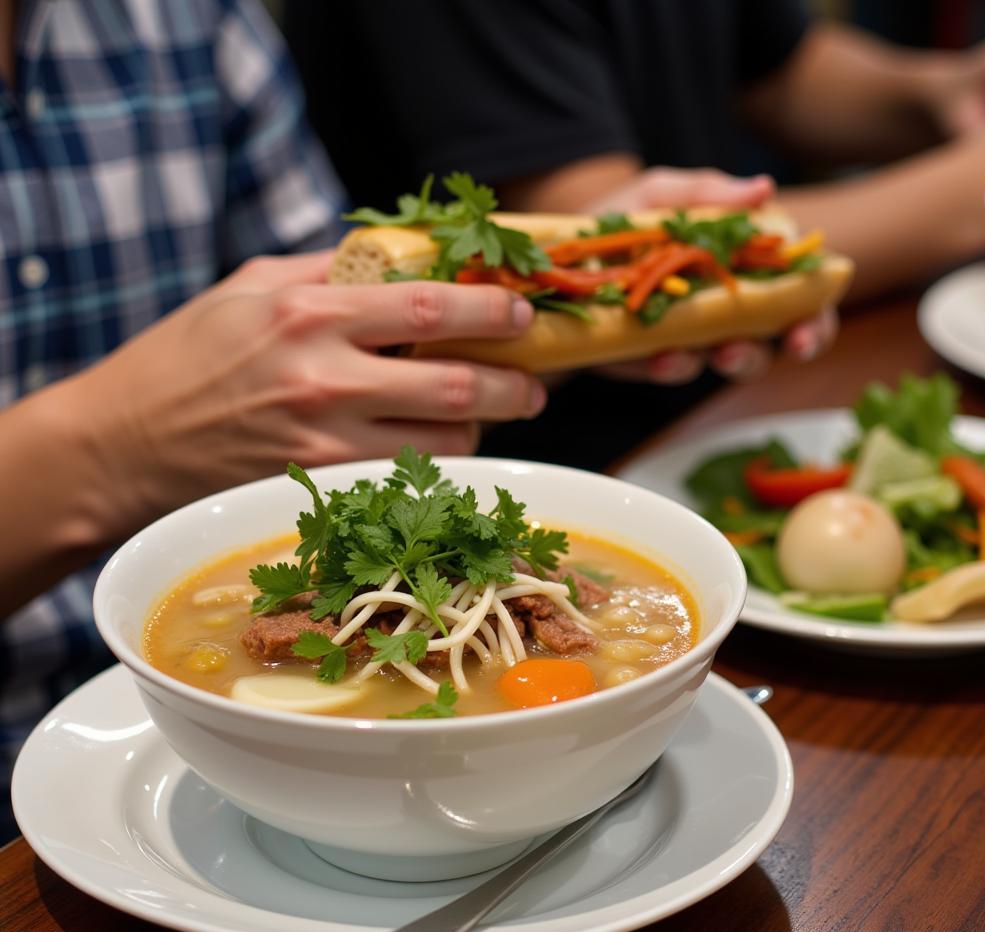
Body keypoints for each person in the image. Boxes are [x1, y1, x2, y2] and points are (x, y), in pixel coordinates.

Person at [0, 0, 827, 840]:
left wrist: (590, 261)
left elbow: (339, 329)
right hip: (103, 754)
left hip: (312, 771)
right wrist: (114, 450)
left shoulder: (186, 18)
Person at [285, 1, 985, 305]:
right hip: (552, 456)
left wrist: (937, 91)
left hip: (725, 394)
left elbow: (780, 74)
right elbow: (599, 240)